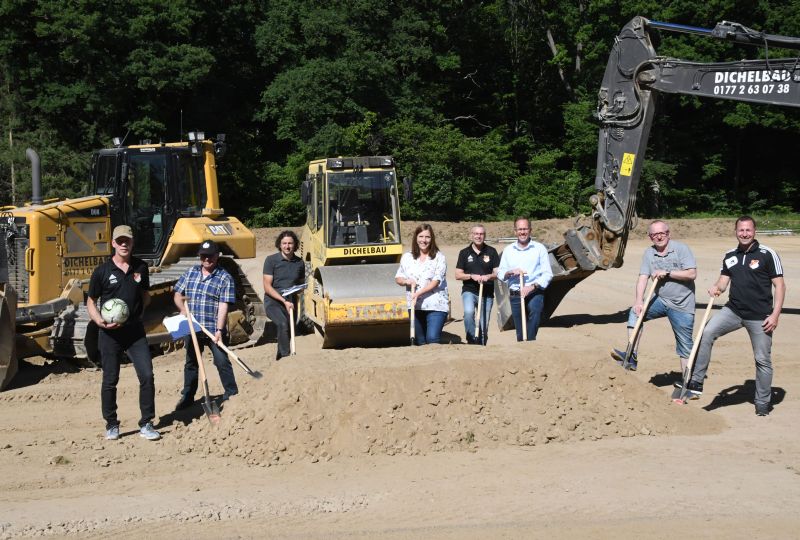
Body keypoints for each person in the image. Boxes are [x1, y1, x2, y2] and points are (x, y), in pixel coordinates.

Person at [681, 216, 785, 416]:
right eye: (741, 230)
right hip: (733, 310)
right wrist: (716, 287)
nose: (744, 233)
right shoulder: (730, 255)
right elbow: (723, 281)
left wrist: (775, 314)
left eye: (748, 230)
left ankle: (762, 402)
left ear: (754, 231)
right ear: (735, 231)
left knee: (762, 359)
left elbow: (779, 285)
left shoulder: (767, 254)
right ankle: (696, 380)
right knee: (707, 332)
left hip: (760, 316)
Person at [86, 225, 160, 441]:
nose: (124, 244)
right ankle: (111, 424)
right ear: (113, 244)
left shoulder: (141, 268)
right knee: (110, 379)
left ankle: (146, 423)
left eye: (127, 240)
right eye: (120, 241)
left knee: (147, 375)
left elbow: (146, 295)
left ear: (132, 242)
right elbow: (91, 302)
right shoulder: (102, 271)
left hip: (135, 333)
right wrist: (99, 320)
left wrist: (137, 314)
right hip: (109, 335)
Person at [611, 220, 696, 372]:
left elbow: (692, 274)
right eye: (654, 234)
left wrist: (668, 273)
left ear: (668, 234)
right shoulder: (649, 253)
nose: (658, 237)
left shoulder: (681, 249)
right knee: (635, 313)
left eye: (662, 233)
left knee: (684, 344)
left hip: (682, 305)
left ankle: (688, 381)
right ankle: (631, 356)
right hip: (661, 300)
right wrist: (638, 301)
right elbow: (643, 277)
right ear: (650, 237)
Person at [173, 240, 238, 410]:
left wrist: (219, 330)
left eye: (210, 255)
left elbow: (224, 305)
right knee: (191, 363)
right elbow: (178, 293)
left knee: (221, 361)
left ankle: (232, 393)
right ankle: (187, 396)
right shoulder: (191, 273)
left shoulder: (224, 277)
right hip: (192, 327)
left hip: (212, 329)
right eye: (203, 255)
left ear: (217, 256)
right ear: (199, 256)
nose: (207, 259)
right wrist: (182, 309)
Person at [497, 217, 552, 341]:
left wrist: (532, 287)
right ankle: (523, 345)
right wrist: (509, 272)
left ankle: (531, 341)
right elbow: (500, 272)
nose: (523, 232)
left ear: (530, 230)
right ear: (515, 231)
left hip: (535, 290)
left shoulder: (539, 248)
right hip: (516, 292)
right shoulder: (508, 250)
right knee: (520, 330)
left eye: (525, 229)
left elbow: (548, 274)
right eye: (520, 229)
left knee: (535, 311)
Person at [395, 224, 449, 345]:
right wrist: (406, 281)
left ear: (432, 239)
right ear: (416, 238)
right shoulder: (407, 257)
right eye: (421, 236)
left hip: (436, 304)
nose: (424, 240)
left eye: (427, 237)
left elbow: (436, 281)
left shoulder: (439, 257)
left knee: (432, 338)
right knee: (420, 341)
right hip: (415, 306)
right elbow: (398, 277)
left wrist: (418, 293)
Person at [263, 231, 305, 360]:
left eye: (290, 243)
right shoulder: (271, 260)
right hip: (273, 302)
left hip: (290, 302)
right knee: (282, 324)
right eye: (284, 243)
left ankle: (280, 358)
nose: (287, 246)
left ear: (295, 245)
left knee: (288, 332)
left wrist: (302, 290)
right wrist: (283, 300)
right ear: (280, 245)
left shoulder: (299, 263)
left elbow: (300, 284)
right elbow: (267, 286)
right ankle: (286, 358)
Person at [455, 225, 500, 345]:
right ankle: (471, 340)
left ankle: (481, 345)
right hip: (469, 290)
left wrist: (489, 276)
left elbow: (497, 273)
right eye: (476, 233)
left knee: (483, 325)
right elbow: (458, 275)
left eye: (481, 234)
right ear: (471, 235)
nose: (478, 236)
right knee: (469, 313)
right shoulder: (464, 253)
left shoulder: (492, 251)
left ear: (484, 236)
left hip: (487, 293)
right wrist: (471, 276)